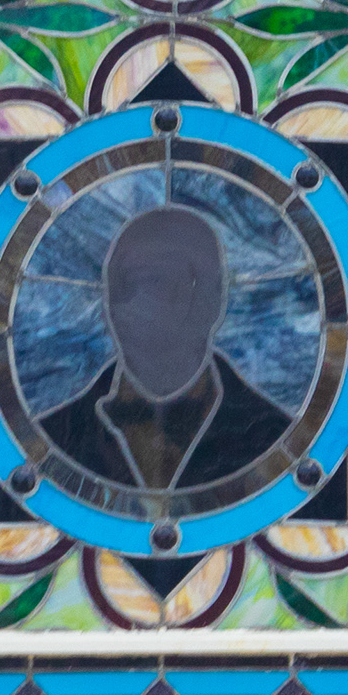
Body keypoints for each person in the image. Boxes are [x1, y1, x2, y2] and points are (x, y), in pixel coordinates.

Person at [33, 204, 295, 499]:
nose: (123, 303)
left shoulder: (277, 438)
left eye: (149, 282)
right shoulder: (48, 440)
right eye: (119, 285)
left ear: (212, 300)